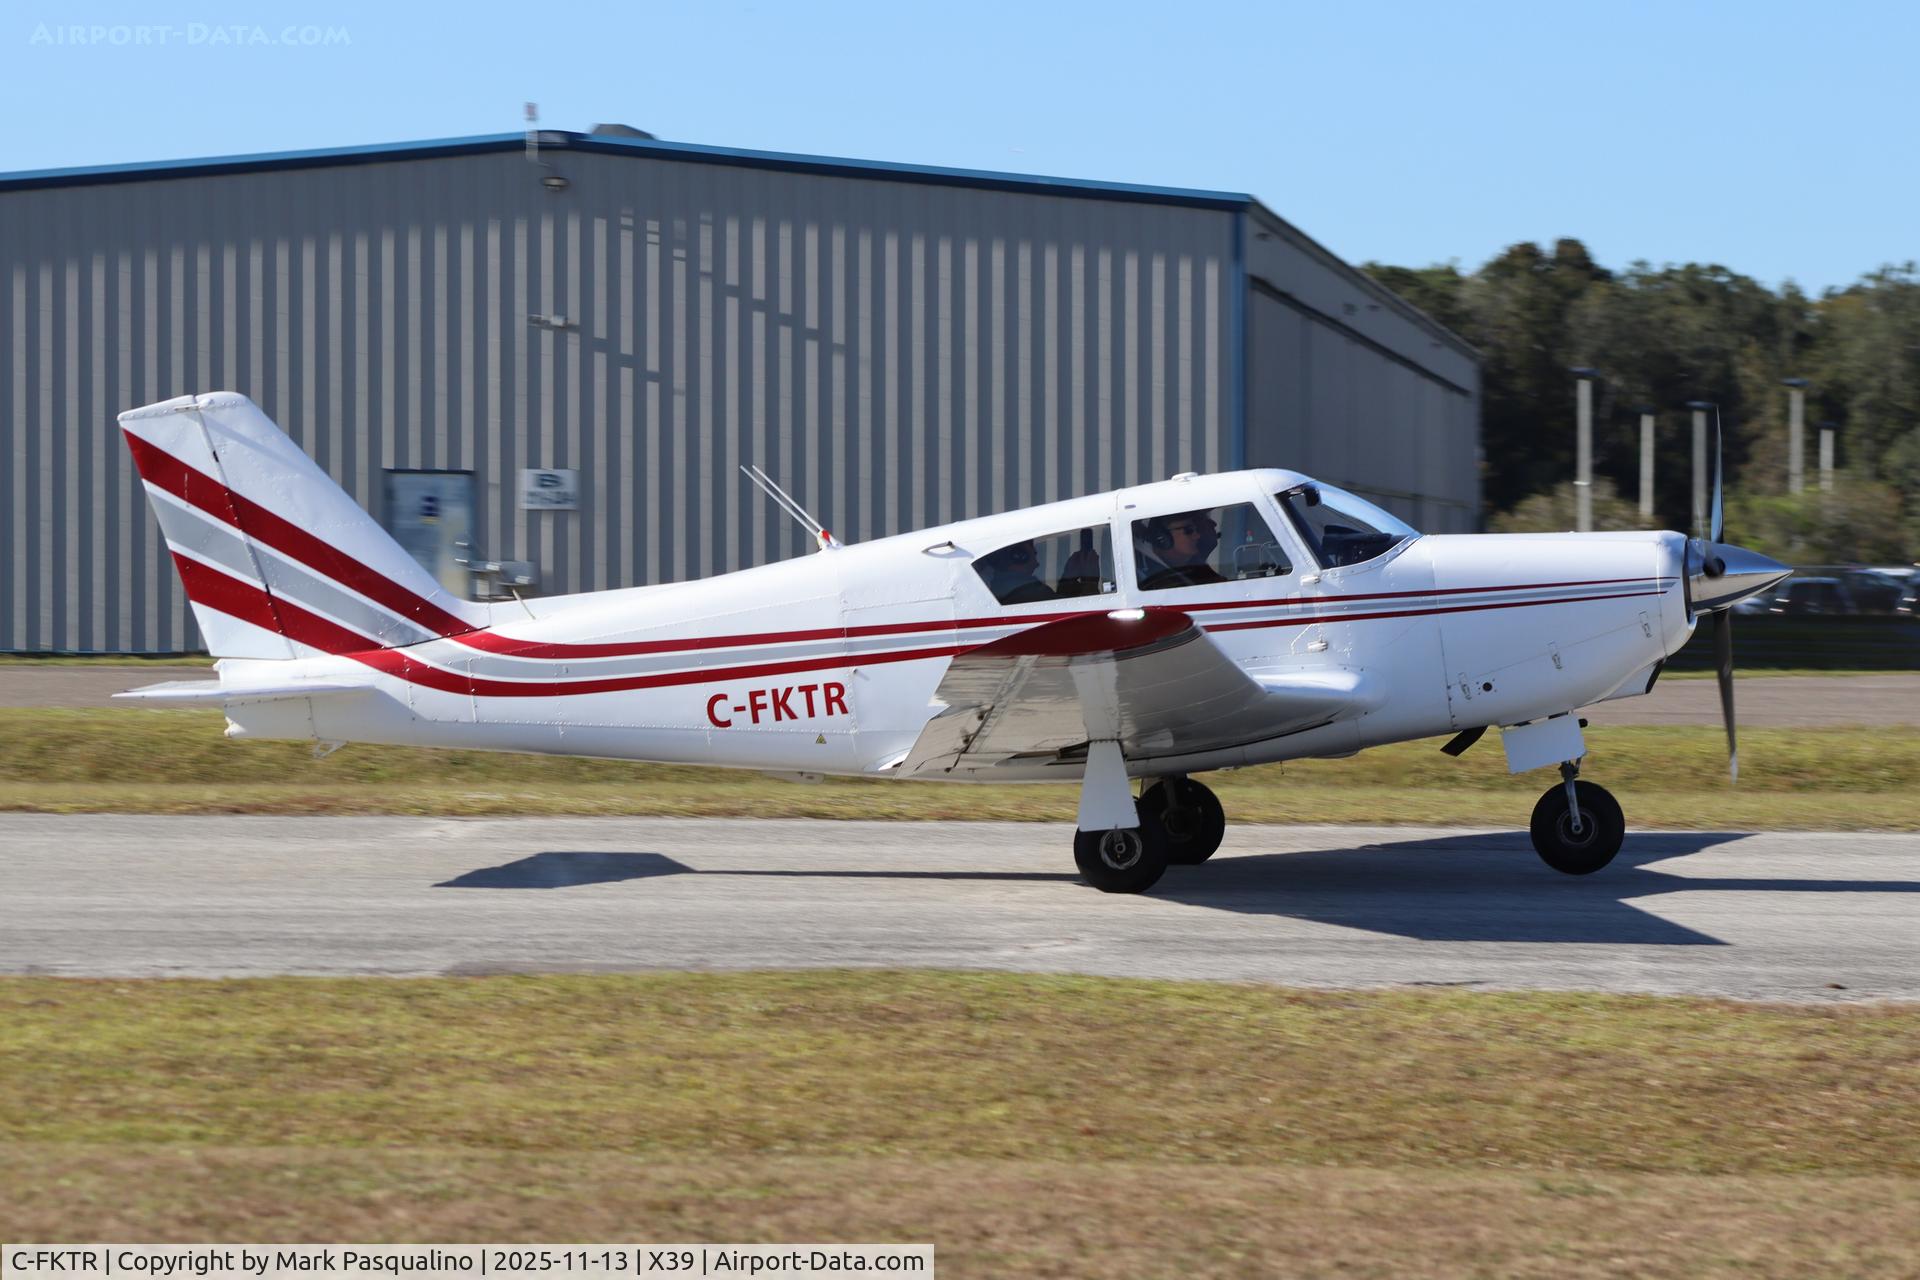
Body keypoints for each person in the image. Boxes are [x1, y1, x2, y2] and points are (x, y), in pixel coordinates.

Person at [1135, 510, 1225, 590]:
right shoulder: (1154, 580)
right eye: (1188, 530)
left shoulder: (1194, 567)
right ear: (1162, 538)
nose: (1197, 536)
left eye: (1196, 529)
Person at [976, 540, 1056, 604]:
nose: (1037, 564)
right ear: (1020, 556)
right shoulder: (1031, 590)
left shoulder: (997, 584)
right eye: (1034, 555)